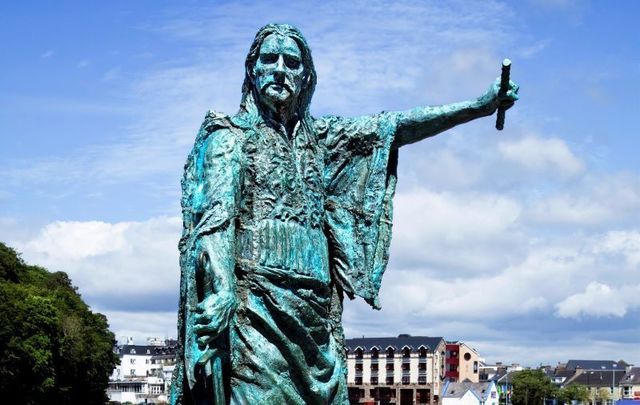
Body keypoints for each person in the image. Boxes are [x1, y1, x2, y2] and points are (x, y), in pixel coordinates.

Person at [170, 23, 518, 405]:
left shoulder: (324, 140)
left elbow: (395, 126)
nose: (280, 70)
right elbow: (214, 225)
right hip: (255, 315)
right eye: (270, 59)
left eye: (292, 62)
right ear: (252, 69)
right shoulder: (229, 137)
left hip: (317, 318)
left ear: (306, 76)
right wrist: (221, 291)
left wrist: (479, 106)